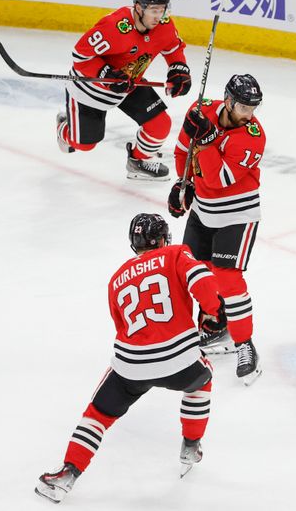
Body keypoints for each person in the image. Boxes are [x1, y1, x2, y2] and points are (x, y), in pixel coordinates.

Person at [35, 214, 226, 503]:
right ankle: (190, 445)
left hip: (130, 364)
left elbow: (121, 324)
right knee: (202, 381)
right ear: (163, 239)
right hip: (179, 359)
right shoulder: (175, 254)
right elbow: (202, 279)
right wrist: (214, 311)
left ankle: (67, 474)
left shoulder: (116, 279)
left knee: (97, 415)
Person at [167, 74, 266, 386]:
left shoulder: (252, 137)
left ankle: (245, 345)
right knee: (193, 272)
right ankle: (215, 326)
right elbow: (183, 150)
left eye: (253, 108)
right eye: (243, 107)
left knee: (227, 278)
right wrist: (182, 184)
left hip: (238, 213)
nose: (248, 114)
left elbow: (218, 180)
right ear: (227, 100)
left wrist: (208, 141)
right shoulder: (200, 112)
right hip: (203, 210)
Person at [55, 0, 192, 181]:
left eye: (162, 9)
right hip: (91, 88)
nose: (159, 16)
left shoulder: (164, 25)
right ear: (138, 7)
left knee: (160, 124)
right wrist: (107, 75)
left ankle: (137, 162)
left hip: (130, 83)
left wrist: (178, 69)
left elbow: (173, 48)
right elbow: (81, 57)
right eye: (154, 10)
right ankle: (64, 127)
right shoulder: (114, 27)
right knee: (84, 144)